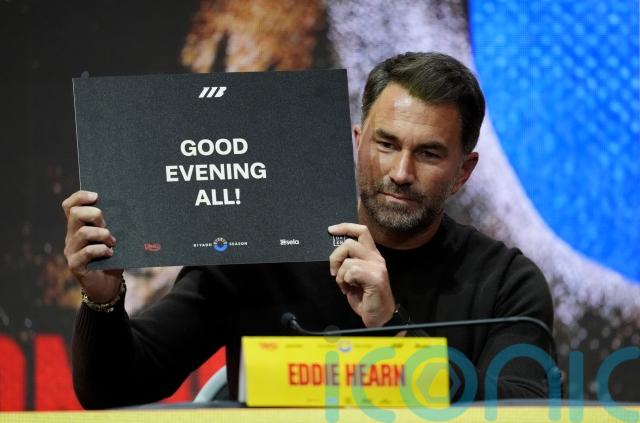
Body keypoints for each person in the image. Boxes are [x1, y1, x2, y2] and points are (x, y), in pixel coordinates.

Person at [63, 52, 555, 409]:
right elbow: (113, 388)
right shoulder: (261, 250)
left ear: (464, 171)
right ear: (357, 142)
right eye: (386, 144)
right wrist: (103, 300)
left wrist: (392, 327)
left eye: (428, 153)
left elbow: (523, 410)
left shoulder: (507, 282)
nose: (401, 172)